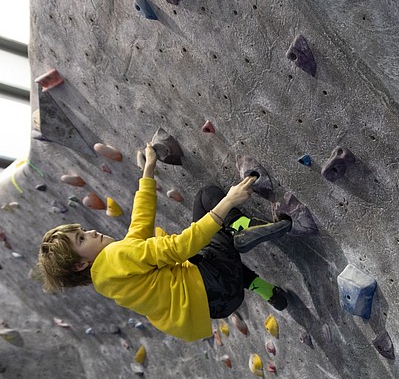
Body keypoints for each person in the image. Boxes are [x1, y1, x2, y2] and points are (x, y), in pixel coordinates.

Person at [32, 143, 292, 341]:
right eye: (81, 238)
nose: (90, 232)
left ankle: (269, 292)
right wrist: (228, 202)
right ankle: (242, 228)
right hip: (215, 282)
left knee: (200, 258)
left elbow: (139, 225)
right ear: (80, 264)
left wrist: (148, 171)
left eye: (82, 230)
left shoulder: (106, 279)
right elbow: (179, 247)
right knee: (207, 196)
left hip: (217, 305)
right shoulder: (115, 258)